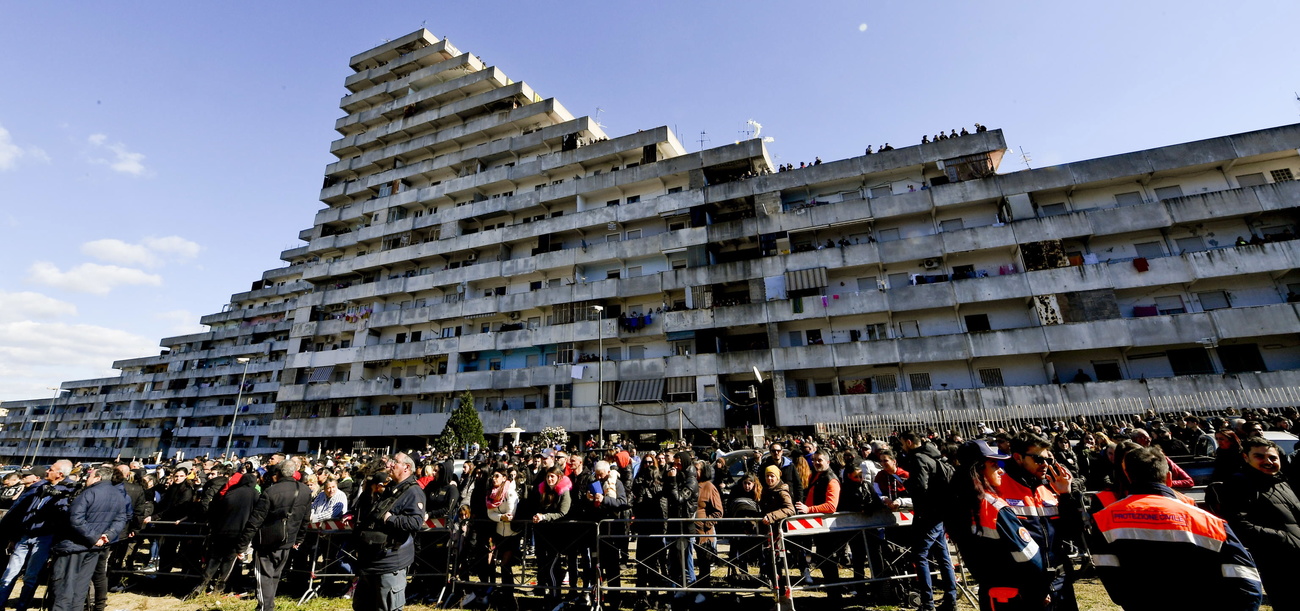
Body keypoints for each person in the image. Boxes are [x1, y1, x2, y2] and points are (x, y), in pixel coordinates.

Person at [1090, 446, 1262, 610]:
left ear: (1127, 475)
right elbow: (1245, 577)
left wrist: (1130, 600)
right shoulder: (1209, 521)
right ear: (1169, 478)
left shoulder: (1105, 519)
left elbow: (1108, 571)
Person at [951, 441, 1050, 611]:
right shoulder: (994, 507)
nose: (1001, 470)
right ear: (978, 469)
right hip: (1018, 596)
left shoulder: (958, 504)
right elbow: (1029, 556)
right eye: (994, 465)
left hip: (989, 593)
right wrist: (1040, 590)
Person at [994, 433, 1082, 611]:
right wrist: (1030, 586)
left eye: (1047, 460)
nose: (1045, 465)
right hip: (1023, 586)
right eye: (1038, 459)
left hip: (1059, 580)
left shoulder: (1050, 485)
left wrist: (1066, 496)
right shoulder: (999, 487)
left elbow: (1071, 532)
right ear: (1018, 457)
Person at [1218, 437, 1300, 609]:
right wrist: (1285, 539)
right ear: (1246, 458)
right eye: (1259, 457)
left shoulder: (1281, 481)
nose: (1268, 462)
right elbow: (1238, 524)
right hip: (1278, 564)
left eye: (1272, 457)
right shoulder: (1238, 484)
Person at [348, 453, 426, 611]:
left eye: (395, 462)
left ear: (407, 467)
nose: (390, 465)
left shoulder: (413, 492)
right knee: (362, 606)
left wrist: (390, 518)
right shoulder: (390, 489)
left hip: (391, 562)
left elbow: (415, 522)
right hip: (371, 560)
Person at [48, 465, 130, 611]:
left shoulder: (89, 492)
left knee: (65, 588)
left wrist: (97, 537)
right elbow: (121, 519)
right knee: (80, 588)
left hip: (75, 546)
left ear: (98, 477)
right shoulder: (118, 494)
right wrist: (107, 536)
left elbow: (75, 518)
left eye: (90, 476)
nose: (87, 478)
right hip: (95, 547)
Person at [0, 461, 75, 611]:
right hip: (25, 535)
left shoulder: (69, 491)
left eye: (51, 470)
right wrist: (14, 536)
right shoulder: (40, 486)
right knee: (9, 574)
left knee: (31, 577)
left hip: (44, 538)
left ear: (60, 474)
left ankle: (22, 607)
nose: (47, 471)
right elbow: (21, 510)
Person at [238, 460, 312, 611]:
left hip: (267, 540)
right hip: (287, 540)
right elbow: (305, 518)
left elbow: (255, 520)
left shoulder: (270, 492)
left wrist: (242, 545)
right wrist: (299, 539)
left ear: (277, 474)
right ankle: (267, 606)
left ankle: (266, 608)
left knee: (265, 577)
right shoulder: (305, 491)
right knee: (274, 576)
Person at [899, 431, 958, 611]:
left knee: (921, 556)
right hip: (939, 513)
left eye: (902, 444)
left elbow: (920, 488)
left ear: (909, 442)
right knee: (943, 556)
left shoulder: (918, 458)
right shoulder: (934, 455)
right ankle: (950, 599)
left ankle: (928, 603)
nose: (901, 447)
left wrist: (906, 483)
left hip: (927, 514)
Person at [191, 464, 258, 598]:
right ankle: (219, 588)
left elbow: (217, 509)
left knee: (214, 560)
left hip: (221, 530)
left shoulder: (230, 492)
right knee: (229, 561)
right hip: (238, 532)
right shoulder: (255, 494)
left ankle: (202, 584)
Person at [795, 450, 842, 597]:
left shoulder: (831, 479)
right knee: (822, 559)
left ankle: (834, 594)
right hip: (817, 526)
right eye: (814, 460)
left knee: (827, 560)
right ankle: (832, 592)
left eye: (819, 460)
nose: (816, 462)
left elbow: (831, 506)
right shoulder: (817, 475)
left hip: (827, 528)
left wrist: (808, 509)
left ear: (827, 462)